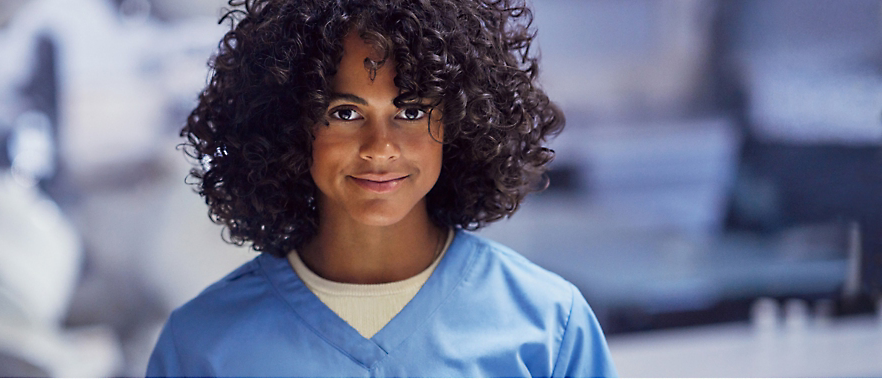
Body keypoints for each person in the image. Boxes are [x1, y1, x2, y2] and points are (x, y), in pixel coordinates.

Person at [147, 0, 617, 376]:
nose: (380, 148)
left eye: (410, 111)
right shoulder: (203, 347)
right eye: (345, 113)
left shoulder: (548, 326)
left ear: (457, 120)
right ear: (291, 125)